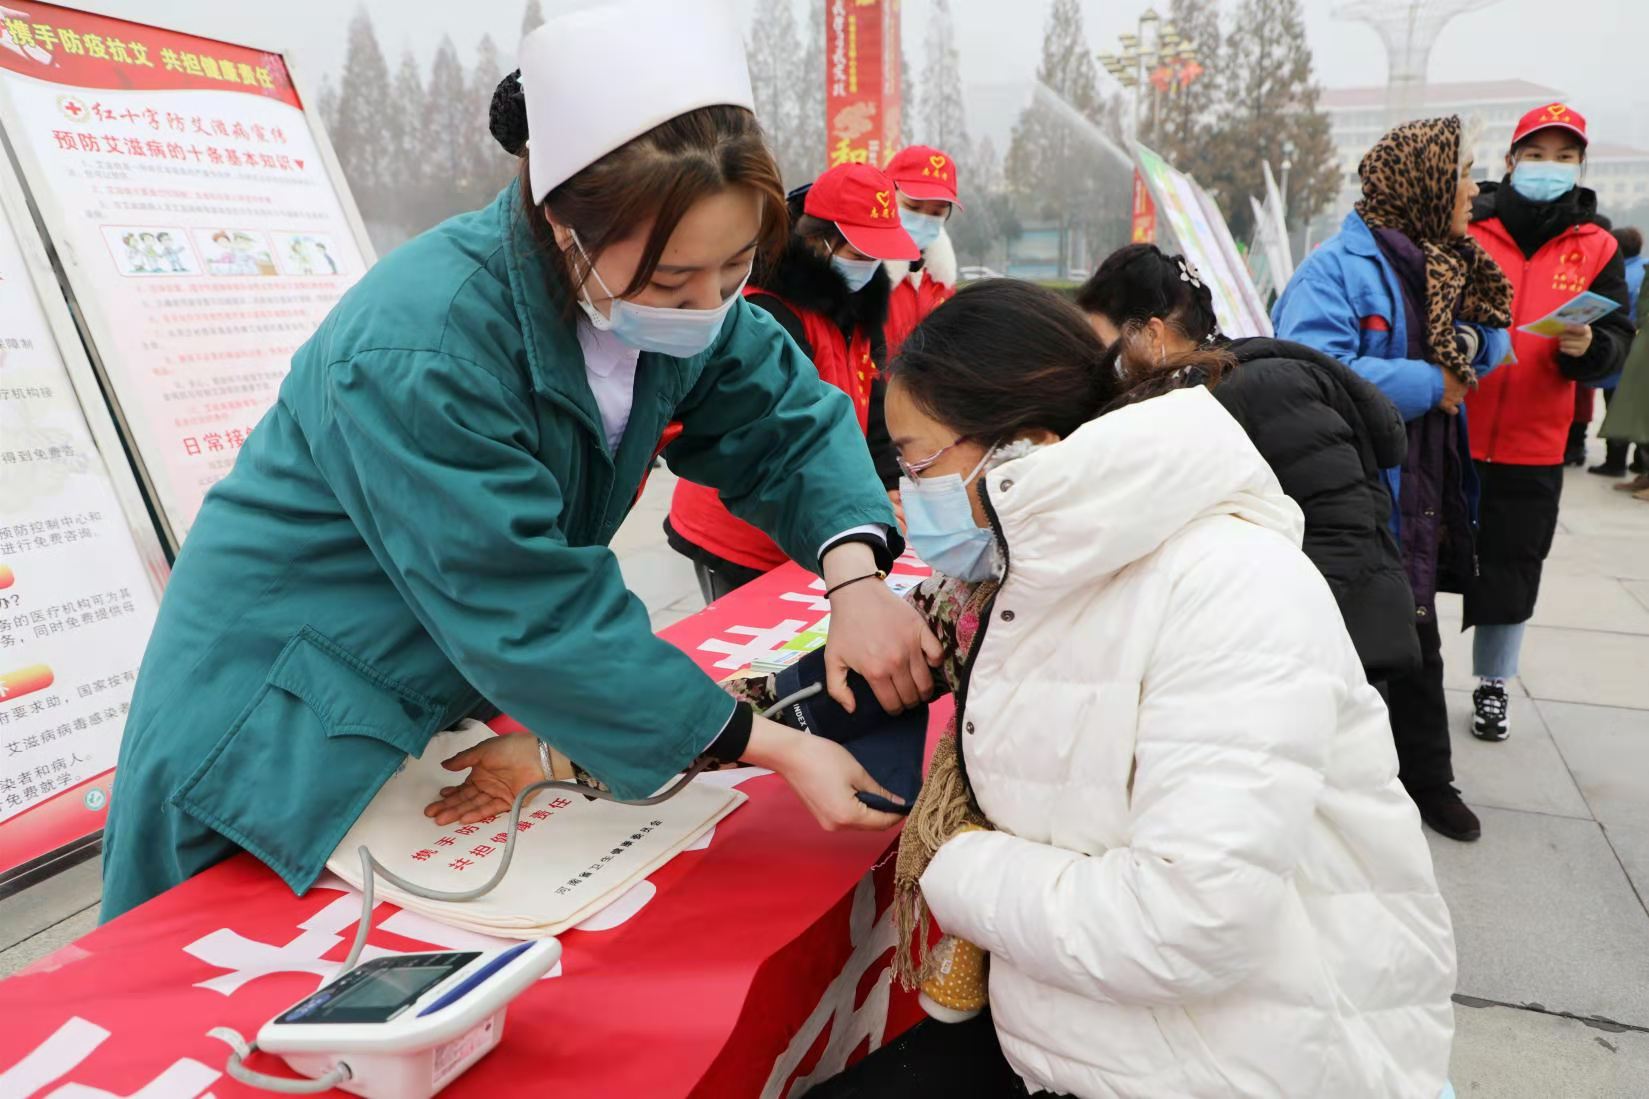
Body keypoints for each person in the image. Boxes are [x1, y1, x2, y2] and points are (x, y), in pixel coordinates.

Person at [99, 0, 940, 921]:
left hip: (435, 699)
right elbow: (527, 605)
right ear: (562, 222)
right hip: (278, 718)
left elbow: (781, 421)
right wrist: (770, 745)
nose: (707, 307)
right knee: (235, 1010)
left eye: (736, 268)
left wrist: (854, 579)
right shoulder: (422, 345)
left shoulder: (677, 311)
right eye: (670, 281)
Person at [808, 279, 1455, 1099]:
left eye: (914, 460)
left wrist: (949, 861)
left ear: (1021, 448)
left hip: (1250, 1059)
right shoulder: (1032, 580)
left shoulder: (1227, 586)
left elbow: (1185, 924)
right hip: (1105, 1035)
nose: (905, 493)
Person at [1273, 115, 1513, 842]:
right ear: (1426, 181)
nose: (1475, 187)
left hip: (1430, 479)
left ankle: (1427, 781)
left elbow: (1490, 335)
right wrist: (1422, 380)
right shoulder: (1336, 270)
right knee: (1354, 642)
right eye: (1465, 171)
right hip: (1360, 485)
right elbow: (1300, 369)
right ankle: (1330, 795)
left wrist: (1471, 346)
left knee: (1416, 632)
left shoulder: (1452, 258)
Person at [1078, 242, 1420, 684]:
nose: (1097, 361)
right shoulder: (1188, 393)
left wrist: (1274, 646)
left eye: (1100, 340)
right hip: (1275, 652)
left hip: (1328, 656)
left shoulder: (1262, 389)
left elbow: (1340, 533)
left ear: (1151, 334)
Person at [665, 161, 919, 601]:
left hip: (818, 507)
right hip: (742, 525)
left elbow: (871, 403)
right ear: (819, 241)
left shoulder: (859, 310)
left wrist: (886, 487)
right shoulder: (767, 310)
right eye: (858, 253)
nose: (868, 267)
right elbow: (779, 426)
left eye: (876, 255)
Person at [1463, 103, 1632, 741]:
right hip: (1454, 427)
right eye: (1537, 155)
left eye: (1565, 158)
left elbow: (1617, 334)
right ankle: (1400, 675)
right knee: (1421, 560)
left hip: (1535, 442)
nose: (1549, 168)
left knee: (1511, 568)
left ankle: (1493, 685)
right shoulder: (1470, 227)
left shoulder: (1598, 246)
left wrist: (1591, 351)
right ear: (1510, 161)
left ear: (1580, 166)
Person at [881, 144, 961, 359]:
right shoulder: (862, 272)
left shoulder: (941, 280)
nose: (924, 219)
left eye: (937, 212)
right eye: (913, 207)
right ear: (886, 195)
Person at [1592, 226, 1647, 477]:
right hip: (1638, 350)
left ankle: (1614, 462)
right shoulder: (1643, 268)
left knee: (1617, 406)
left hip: (1626, 351)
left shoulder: (1619, 275)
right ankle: (1639, 463)